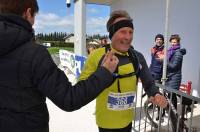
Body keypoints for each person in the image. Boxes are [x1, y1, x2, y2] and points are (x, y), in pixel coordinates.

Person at [0, 0, 119, 132]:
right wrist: (105, 72)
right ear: (28, 13)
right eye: (34, 17)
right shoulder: (34, 54)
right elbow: (69, 98)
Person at [79, 10, 167, 132]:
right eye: (123, 32)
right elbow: (81, 91)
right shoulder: (97, 56)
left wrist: (156, 94)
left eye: (131, 32)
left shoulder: (137, 57)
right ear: (112, 34)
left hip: (127, 121)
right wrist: (103, 73)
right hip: (106, 123)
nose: (128, 37)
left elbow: (149, 83)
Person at [165, 34, 186, 109]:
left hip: (174, 77)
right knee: (170, 95)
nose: (173, 43)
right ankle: (171, 111)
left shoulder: (178, 53)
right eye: (172, 42)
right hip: (170, 76)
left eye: (175, 42)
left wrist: (165, 60)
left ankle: (174, 113)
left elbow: (174, 66)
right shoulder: (170, 51)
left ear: (178, 42)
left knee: (172, 95)